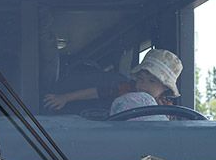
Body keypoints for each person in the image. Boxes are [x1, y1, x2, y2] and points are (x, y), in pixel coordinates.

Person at [43, 48, 182, 119]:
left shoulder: (167, 110)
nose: (143, 85)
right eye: (140, 79)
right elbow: (96, 92)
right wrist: (65, 98)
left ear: (165, 87)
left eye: (151, 81)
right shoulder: (126, 89)